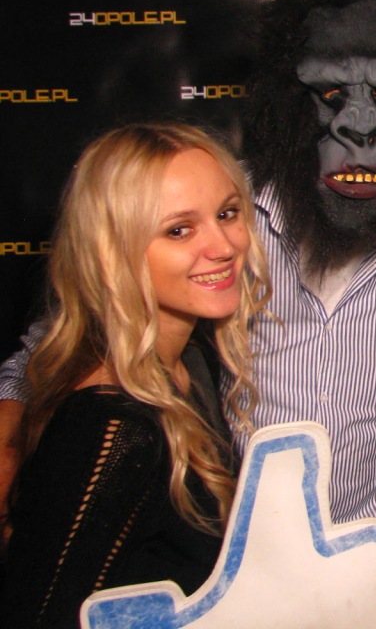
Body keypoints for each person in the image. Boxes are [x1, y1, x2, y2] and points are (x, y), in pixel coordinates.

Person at [0, 0, 376, 531]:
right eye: (330, 93)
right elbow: (60, 345)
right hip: (225, 550)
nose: (362, 125)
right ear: (287, 107)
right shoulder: (224, 214)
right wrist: (8, 444)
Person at [0, 124, 271, 628]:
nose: (224, 246)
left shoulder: (191, 360)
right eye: (179, 230)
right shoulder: (113, 426)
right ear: (112, 251)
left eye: (227, 213)